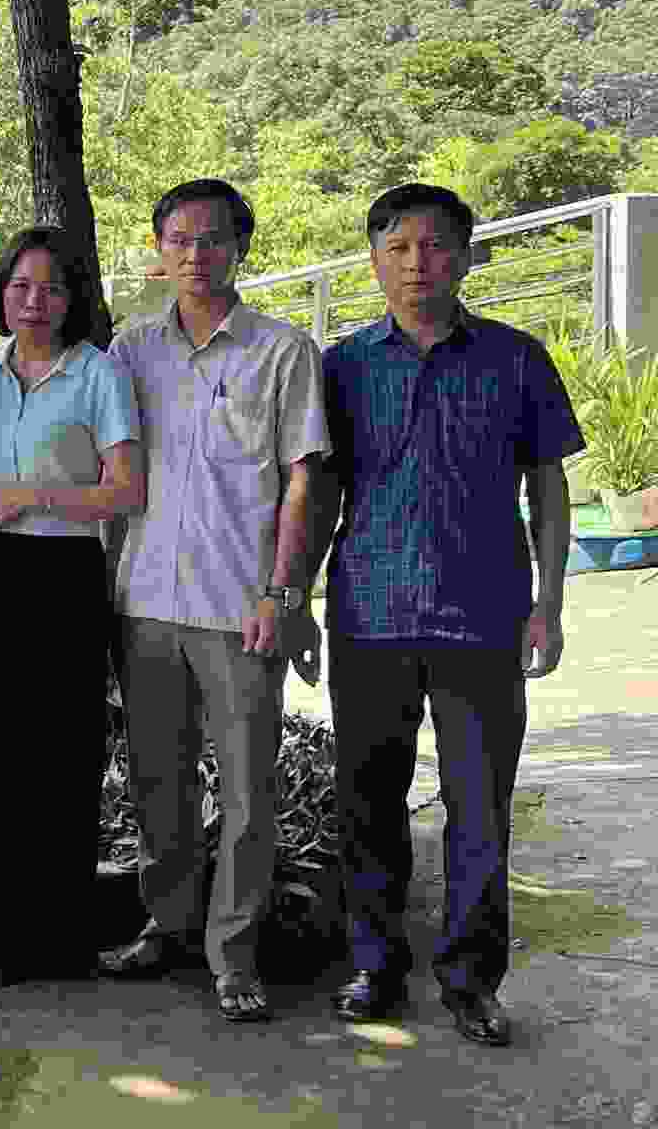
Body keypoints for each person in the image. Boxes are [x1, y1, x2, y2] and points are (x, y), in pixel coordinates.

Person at [310, 183, 578, 1048]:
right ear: (375, 259)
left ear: (464, 256)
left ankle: (471, 981)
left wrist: (549, 606)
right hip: (370, 614)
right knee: (370, 801)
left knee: (479, 809)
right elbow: (319, 494)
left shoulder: (515, 358)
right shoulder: (344, 366)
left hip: (484, 616)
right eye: (399, 248)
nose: (418, 263)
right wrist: (296, 598)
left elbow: (549, 484)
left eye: (435, 246)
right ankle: (375, 964)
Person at [97, 180, 329, 1023]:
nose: (197, 255)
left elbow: (304, 479)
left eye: (215, 239)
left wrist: (283, 592)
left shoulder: (282, 351)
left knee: (247, 793)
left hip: (241, 608)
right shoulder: (130, 352)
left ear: (242, 247)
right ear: (159, 249)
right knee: (159, 784)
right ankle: (167, 924)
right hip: (147, 603)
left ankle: (234, 956)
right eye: (181, 240)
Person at [0, 226, 144, 984]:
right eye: (21, 286)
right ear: (0, 293)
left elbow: (126, 490)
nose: (35, 301)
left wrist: (35, 496)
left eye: (52, 288)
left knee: (60, 751)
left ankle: (56, 930)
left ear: (73, 299)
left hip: (65, 572)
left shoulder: (98, 373)